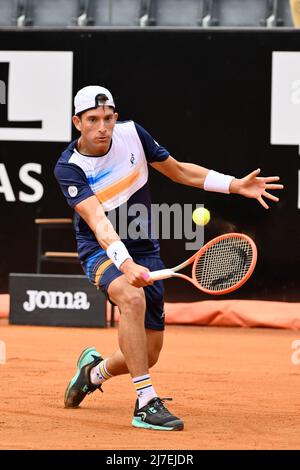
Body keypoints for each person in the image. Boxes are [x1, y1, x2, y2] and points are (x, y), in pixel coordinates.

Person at [54, 85, 283, 431]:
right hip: (100, 249)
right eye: (92, 120)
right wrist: (125, 264)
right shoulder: (69, 168)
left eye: (107, 118)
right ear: (77, 122)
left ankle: (92, 372)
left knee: (147, 355)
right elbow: (98, 222)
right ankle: (145, 403)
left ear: (115, 117)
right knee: (130, 299)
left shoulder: (132, 135)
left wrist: (234, 185)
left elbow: (179, 171)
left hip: (145, 249)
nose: (102, 127)